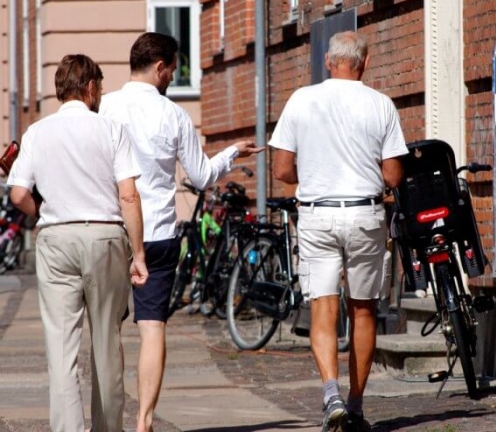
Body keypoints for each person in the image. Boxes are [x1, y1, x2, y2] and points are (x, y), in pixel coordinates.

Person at [99, 31, 264, 432]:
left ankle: (109, 419)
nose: (173, 76)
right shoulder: (173, 115)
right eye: (172, 69)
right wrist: (231, 153)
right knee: (152, 327)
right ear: (160, 67)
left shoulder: (102, 107)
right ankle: (144, 421)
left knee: (106, 330)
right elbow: (203, 176)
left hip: (110, 230)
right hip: (156, 233)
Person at [269, 31, 408, 432]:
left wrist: (311, 173)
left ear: (328, 63)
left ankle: (330, 394)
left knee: (322, 308)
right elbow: (394, 173)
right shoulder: (380, 104)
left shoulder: (301, 99)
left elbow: (281, 170)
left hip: (317, 215)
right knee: (363, 309)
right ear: (364, 64)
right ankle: (357, 405)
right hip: (365, 214)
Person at [8, 54, 148, 432]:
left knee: (61, 349)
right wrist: (139, 254)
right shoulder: (111, 129)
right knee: (106, 344)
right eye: (99, 86)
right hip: (104, 237)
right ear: (89, 87)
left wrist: (43, 210)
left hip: (56, 238)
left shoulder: (37, 132)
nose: (99, 93)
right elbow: (129, 196)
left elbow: (18, 193)